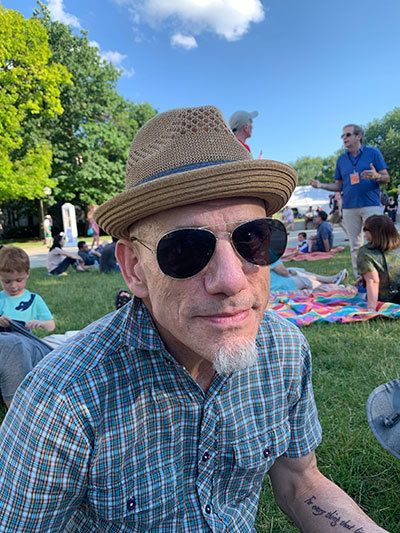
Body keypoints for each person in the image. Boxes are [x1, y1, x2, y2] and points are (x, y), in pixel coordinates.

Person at [0, 105, 387, 532]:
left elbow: (300, 482)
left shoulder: (284, 350)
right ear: (134, 271)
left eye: (253, 239)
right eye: (185, 249)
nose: (230, 280)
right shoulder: (62, 403)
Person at [310, 123, 390, 277]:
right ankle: (360, 279)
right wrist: (321, 185)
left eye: (347, 135)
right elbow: (339, 185)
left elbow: (386, 177)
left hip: (371, 205)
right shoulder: (341, 159)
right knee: (355, 246)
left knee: (375, 242)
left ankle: (381, 279)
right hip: (349, 208)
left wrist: (377, 176)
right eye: (342, 136)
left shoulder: (373, 153)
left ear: (358, 136)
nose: (344, 138)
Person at [0, 246, 55, 407]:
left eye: (19, 280)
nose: (14, 286)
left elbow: (51, 325)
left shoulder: (34, 299)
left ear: (27, 274)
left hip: (25, 342)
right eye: (7, 281)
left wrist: (40, 323)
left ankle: (19, 403)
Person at [357, 215, 400, 310]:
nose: (364, 232)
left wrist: (371, 309)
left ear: (374, 232)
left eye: (365, 229)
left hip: (385, 300)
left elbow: (373, 282)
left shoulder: (365, 253)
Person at [270, 258, 347, 291]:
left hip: (272, 280)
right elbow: (284, 272)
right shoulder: (267, 252)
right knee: (305, 279)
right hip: (275, 285)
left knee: (297, 271)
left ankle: (330, 280)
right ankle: (331, 286)